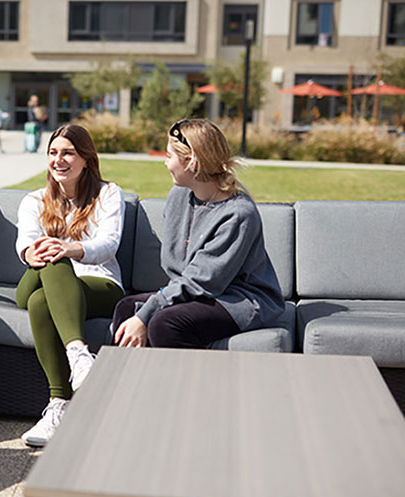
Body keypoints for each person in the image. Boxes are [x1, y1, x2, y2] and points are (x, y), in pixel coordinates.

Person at [111, 118, 284, 349]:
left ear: (191, 161)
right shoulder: (179, 196)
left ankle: (190, 383)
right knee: (127, 308)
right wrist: (146, 311)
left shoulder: (238, 214)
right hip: (200, 292)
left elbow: (204, 281)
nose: (165, 163)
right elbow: (180, 272)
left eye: (169, 156)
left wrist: (147, 314)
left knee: (165, 323)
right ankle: (136, 381)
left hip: (239, 299)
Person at [15, 124, 125, 447]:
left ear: (86, 159)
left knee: (40, 303)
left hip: (99, 284)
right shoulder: (34, 200)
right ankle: (78, 355)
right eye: (53, 153)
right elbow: (24, 243)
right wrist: (35, 251)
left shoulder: (108, 194)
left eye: (68, 153)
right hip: (37, 276)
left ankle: (58, 405)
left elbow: (109, 244)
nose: (58, 160)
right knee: (51, 256)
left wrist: (72, 248)